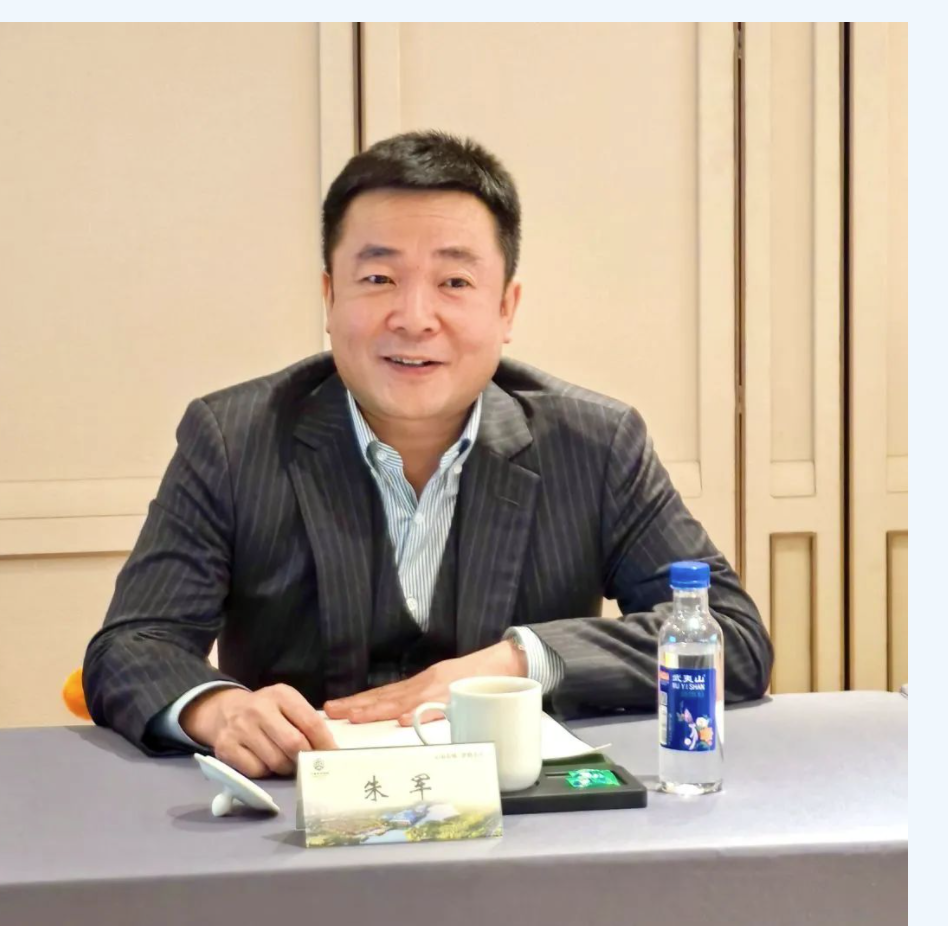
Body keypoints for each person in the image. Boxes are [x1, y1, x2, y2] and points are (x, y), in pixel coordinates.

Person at [83, 130, 772, 778]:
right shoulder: (234, 439)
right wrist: (220, 710)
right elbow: (133, 645)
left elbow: (731, 637)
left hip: (524, 818)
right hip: (299, 812)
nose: (414, 317)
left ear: (506, 308)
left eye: (454, 283)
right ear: (329, 296)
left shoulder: (594, 443)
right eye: (379, 279)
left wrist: (518, 662)